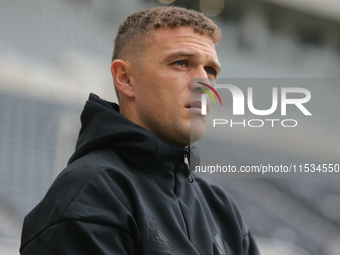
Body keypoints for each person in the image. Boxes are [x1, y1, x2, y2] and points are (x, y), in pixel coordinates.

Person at [20, 6, 260, 255]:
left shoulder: (221, 209)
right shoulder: (91, 193)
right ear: (125, 78)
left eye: (211, 71)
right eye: (181, 63)